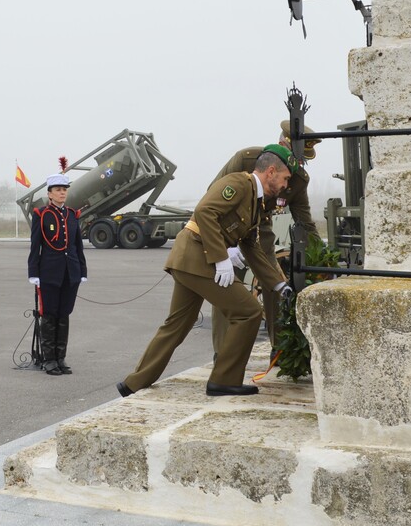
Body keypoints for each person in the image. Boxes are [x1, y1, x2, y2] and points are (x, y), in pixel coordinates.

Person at [118, 145, 296, 398]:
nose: (286, 185)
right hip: (198, 257)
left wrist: (277, 283)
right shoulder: (239, 184)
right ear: (271, 172)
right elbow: (205, 212)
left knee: (178, 323)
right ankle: (224, 380)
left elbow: (250, 245)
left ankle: (133, 383)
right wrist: (221, 258)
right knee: (249, 312)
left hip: (191, 260)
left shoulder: (257, 202)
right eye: (286, 178)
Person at [211, 121, 321, 355]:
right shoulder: (248, 159)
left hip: (260, 231)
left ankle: (279, 349)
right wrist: (223, 247)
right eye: (292, 157)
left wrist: (321, 258)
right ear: (282, 144)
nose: (294, 166)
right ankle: (222, 353)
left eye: (300, 161)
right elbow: (213, 196)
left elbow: (305, 221)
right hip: (230, 230)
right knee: (224, 283)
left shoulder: (299, 180)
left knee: (274, 285)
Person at [27, 173, 88, 376]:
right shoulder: (41, 214)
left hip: (71, 272)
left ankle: (61, 358)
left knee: (64, 315)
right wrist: (33, 272)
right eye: (58, 190)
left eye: (65, 190)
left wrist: (82, 270)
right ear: (50, 194)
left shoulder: (72, 215)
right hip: (49, 273)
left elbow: (77, 246)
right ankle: (49, 359)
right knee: (50, 315)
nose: (63, 193)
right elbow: (35, 246)